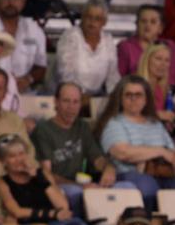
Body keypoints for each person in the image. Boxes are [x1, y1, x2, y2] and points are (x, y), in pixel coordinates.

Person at [97, 74, 175, 211]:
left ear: (146, 99)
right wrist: (160, 151)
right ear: (121, 98)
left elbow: (172, 153)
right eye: (128, 95)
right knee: (147, 185)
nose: (133, 99)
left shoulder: (155, 124)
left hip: (162, 174)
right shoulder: (114, 123)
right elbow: (123, 152)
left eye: (138, 95)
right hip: (128, 175)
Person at [0, 135, 91, 225]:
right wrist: (51, 213)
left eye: (21, 154)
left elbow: (63, 205)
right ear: (3, 161)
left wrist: (40, 178)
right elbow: (17, 212)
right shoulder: (2, 182)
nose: (19, 159)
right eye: (12, 156)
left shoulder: (42, 174)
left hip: (55, 222)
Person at [32, 81, 116, 216]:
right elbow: (46, 175)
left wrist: (108, 168)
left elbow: (97, 159)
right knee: (76, 193)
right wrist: (80, 186)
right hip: (57, 188)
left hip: (81, 184)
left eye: (75, 102)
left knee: (125, 188)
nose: (71, 107)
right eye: (66, 101)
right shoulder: (43, 130)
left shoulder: (82, 126)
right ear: (56, 102)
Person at [54, 0, 119, 98]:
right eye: (89, 17)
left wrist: (113, 98)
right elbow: (66, 75)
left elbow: (113, 77)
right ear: (82, 17)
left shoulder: (108, 40)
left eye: (97, 19)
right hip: (68, 95)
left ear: (104, 22)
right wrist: (81, 97)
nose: (92, 22)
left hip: (97, 97)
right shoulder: (70, 36)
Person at [116, 6, 175, 84]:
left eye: (153, 22)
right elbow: (119, 80)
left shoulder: (170, 46)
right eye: (143, 21)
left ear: (160, 28)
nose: (147, 25)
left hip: (170, 93)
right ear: (137, 24)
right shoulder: (125, 47)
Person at [137, 43, 175, 129]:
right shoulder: (136, 85)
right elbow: (130, 115)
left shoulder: (162, 89)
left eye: (167, 60)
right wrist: (158, 115)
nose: (163, 64)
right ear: (147, 60)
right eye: (158, 59)